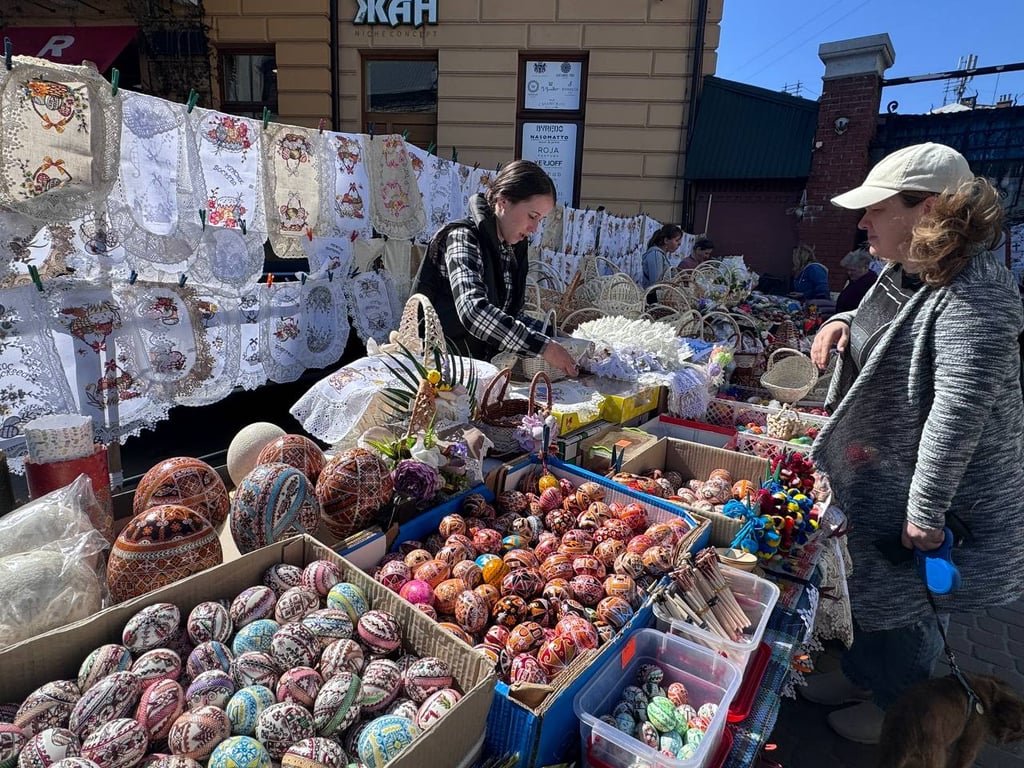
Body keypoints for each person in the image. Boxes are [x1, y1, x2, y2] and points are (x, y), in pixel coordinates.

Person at [804, 142, 1024, 744]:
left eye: (876, 208)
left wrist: (925, 511)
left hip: (936, 492)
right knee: (868, 585)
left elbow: (958, 411)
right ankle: (861, 675)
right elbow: (881, 327)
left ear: (927, 209)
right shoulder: (909, 269)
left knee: (909, 598)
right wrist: (841, 322)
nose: (862, 221)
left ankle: (899, 706)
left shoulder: (977, 291)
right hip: (884, 473)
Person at [411, 159, 578, 376]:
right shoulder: (463, 238)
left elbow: (510, 316)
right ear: (503, 201)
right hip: (440, 373)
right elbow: (473, 311)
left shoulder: (510, 250)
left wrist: (556, 336)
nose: (534, 228)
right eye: (532, 216)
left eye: (541, 220)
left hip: (479, 371)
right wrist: (543, 347)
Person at [834, 247, 877, 313]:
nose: (849, 273)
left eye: (853, 270)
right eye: (847, 270)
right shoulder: (855, 281)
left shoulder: (867, 284)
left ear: (865, 267)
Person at [641, 224, 683, 289]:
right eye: (677, 240)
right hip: (653, 294)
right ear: (666, 240)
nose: (679, 244)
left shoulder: (661, 255)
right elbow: (656, 284)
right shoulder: (655, 254)